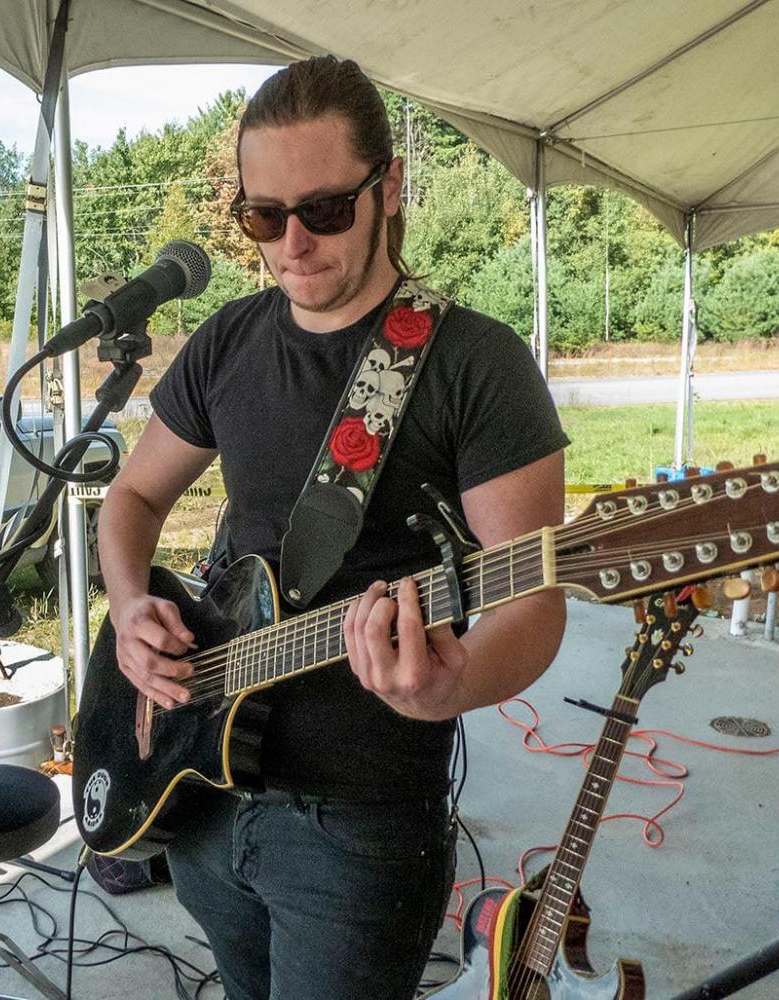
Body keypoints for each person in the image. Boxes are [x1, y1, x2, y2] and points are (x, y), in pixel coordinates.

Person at [97, 56, 569, 1000]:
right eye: (264, 217)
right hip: (204, 787)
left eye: (323, 210)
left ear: (389, 187)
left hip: (355, 824)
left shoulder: (476, 363)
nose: (292, 244)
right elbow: (132, 500)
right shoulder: (227, 341)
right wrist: (127, 605)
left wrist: (451, 685)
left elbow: (536, 599)